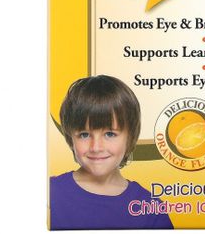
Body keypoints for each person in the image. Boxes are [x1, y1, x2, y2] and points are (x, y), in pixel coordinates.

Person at [50, 75, 173, 230]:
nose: (96, 147)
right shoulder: (49, 193)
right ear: (70, 139)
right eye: (84, 135)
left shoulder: (150, 208)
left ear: (130, 138)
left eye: (110, 134)